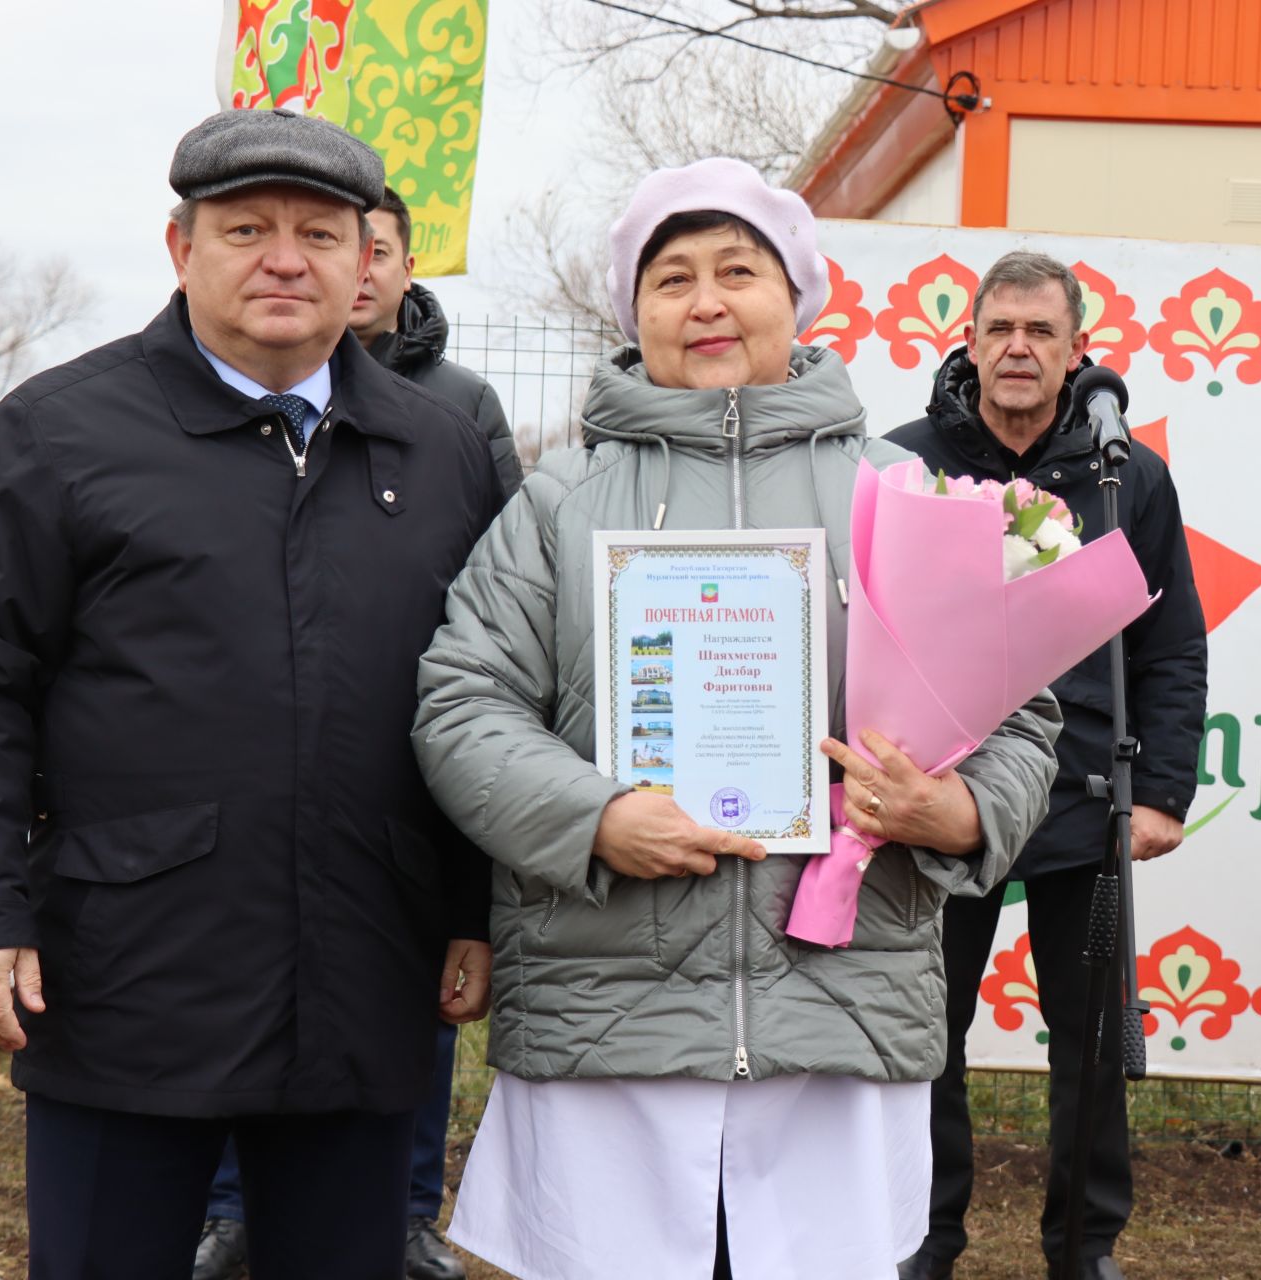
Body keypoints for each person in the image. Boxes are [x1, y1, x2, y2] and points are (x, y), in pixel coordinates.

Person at [412, 157, 1062, 1280]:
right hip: (610, 1023)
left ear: (797, 296)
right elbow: (461, 701)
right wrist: (597, 816)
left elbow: (1020, 709)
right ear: (636, 314)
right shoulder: (560, 502)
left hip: (838, 1018)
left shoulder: (898, 491)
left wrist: (953, 808)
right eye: (670, 278)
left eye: (736, 271)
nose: (705, 301)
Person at [0, 108, 500, 1280]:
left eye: (322, 232)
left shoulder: (439, 450)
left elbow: (481, 693)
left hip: (366, 969)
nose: (286, 257)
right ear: (181, 249)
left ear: (367, 259)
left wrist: (472, 902)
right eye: (247, 228)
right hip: (125, 968)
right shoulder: (63, 431)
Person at [193, 183, 513, 1280]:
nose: (353, 264)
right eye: (344, 242)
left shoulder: (459, 414)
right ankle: (232, 1202)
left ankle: (411, 1202)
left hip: (405, 781)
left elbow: (499, 591)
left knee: (403, 1013)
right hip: (240, 805)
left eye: (371, 246)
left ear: (402, 266)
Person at [886, 251, 1207, 1280]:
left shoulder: (1130, 477)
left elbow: (1172, 646)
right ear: (969, 340)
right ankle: (923, 1236)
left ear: (1077, 352)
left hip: (1086, 801)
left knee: (1094, 1042)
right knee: (923, 1038)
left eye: (1040, 332)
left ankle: (1085, 1245)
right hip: (944, 798)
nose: (1018, 348)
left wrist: (1159, 790)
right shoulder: (904, 463)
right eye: (1000, 329)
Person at [351, 185, 523, 500]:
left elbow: (507, 536)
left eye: (377, 254)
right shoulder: (280, 385)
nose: (361, 272)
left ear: (407, 272)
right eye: (349, 251)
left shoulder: (471, 402)